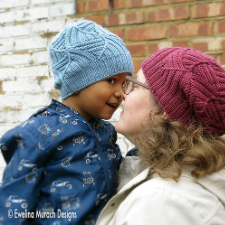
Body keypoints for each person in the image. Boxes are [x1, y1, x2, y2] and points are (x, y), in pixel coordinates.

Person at [0, 20, 133, 225]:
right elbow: (12, 206)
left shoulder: (105, 132)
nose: (120, 92)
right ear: (78, 80)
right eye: (111, 80)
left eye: (124, 82)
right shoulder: (41, 132)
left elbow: (121, 178)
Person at [96, 47, 225, 225]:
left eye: (134, 85)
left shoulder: (160, 203)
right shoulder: (172, 189)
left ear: (163, 109)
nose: (123, 94)